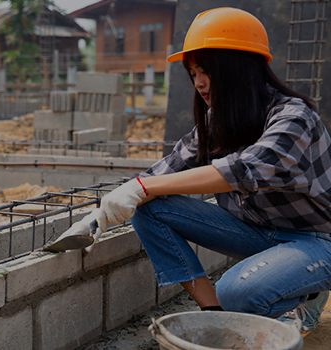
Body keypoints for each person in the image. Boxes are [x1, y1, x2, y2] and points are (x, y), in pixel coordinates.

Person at [63, 7, 331, 333]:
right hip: (261, 232)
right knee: (151, 207)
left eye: (206, 71)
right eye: (193, 73)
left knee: (238, 291)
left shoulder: (293, 118)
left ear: (240, 68)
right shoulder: (217, 120)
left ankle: (306, 295)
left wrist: (142, 189)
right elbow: (162, 173)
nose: (199, 82)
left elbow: (243, 169)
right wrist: (98, 216)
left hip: (317, 241)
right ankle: (214, 313)